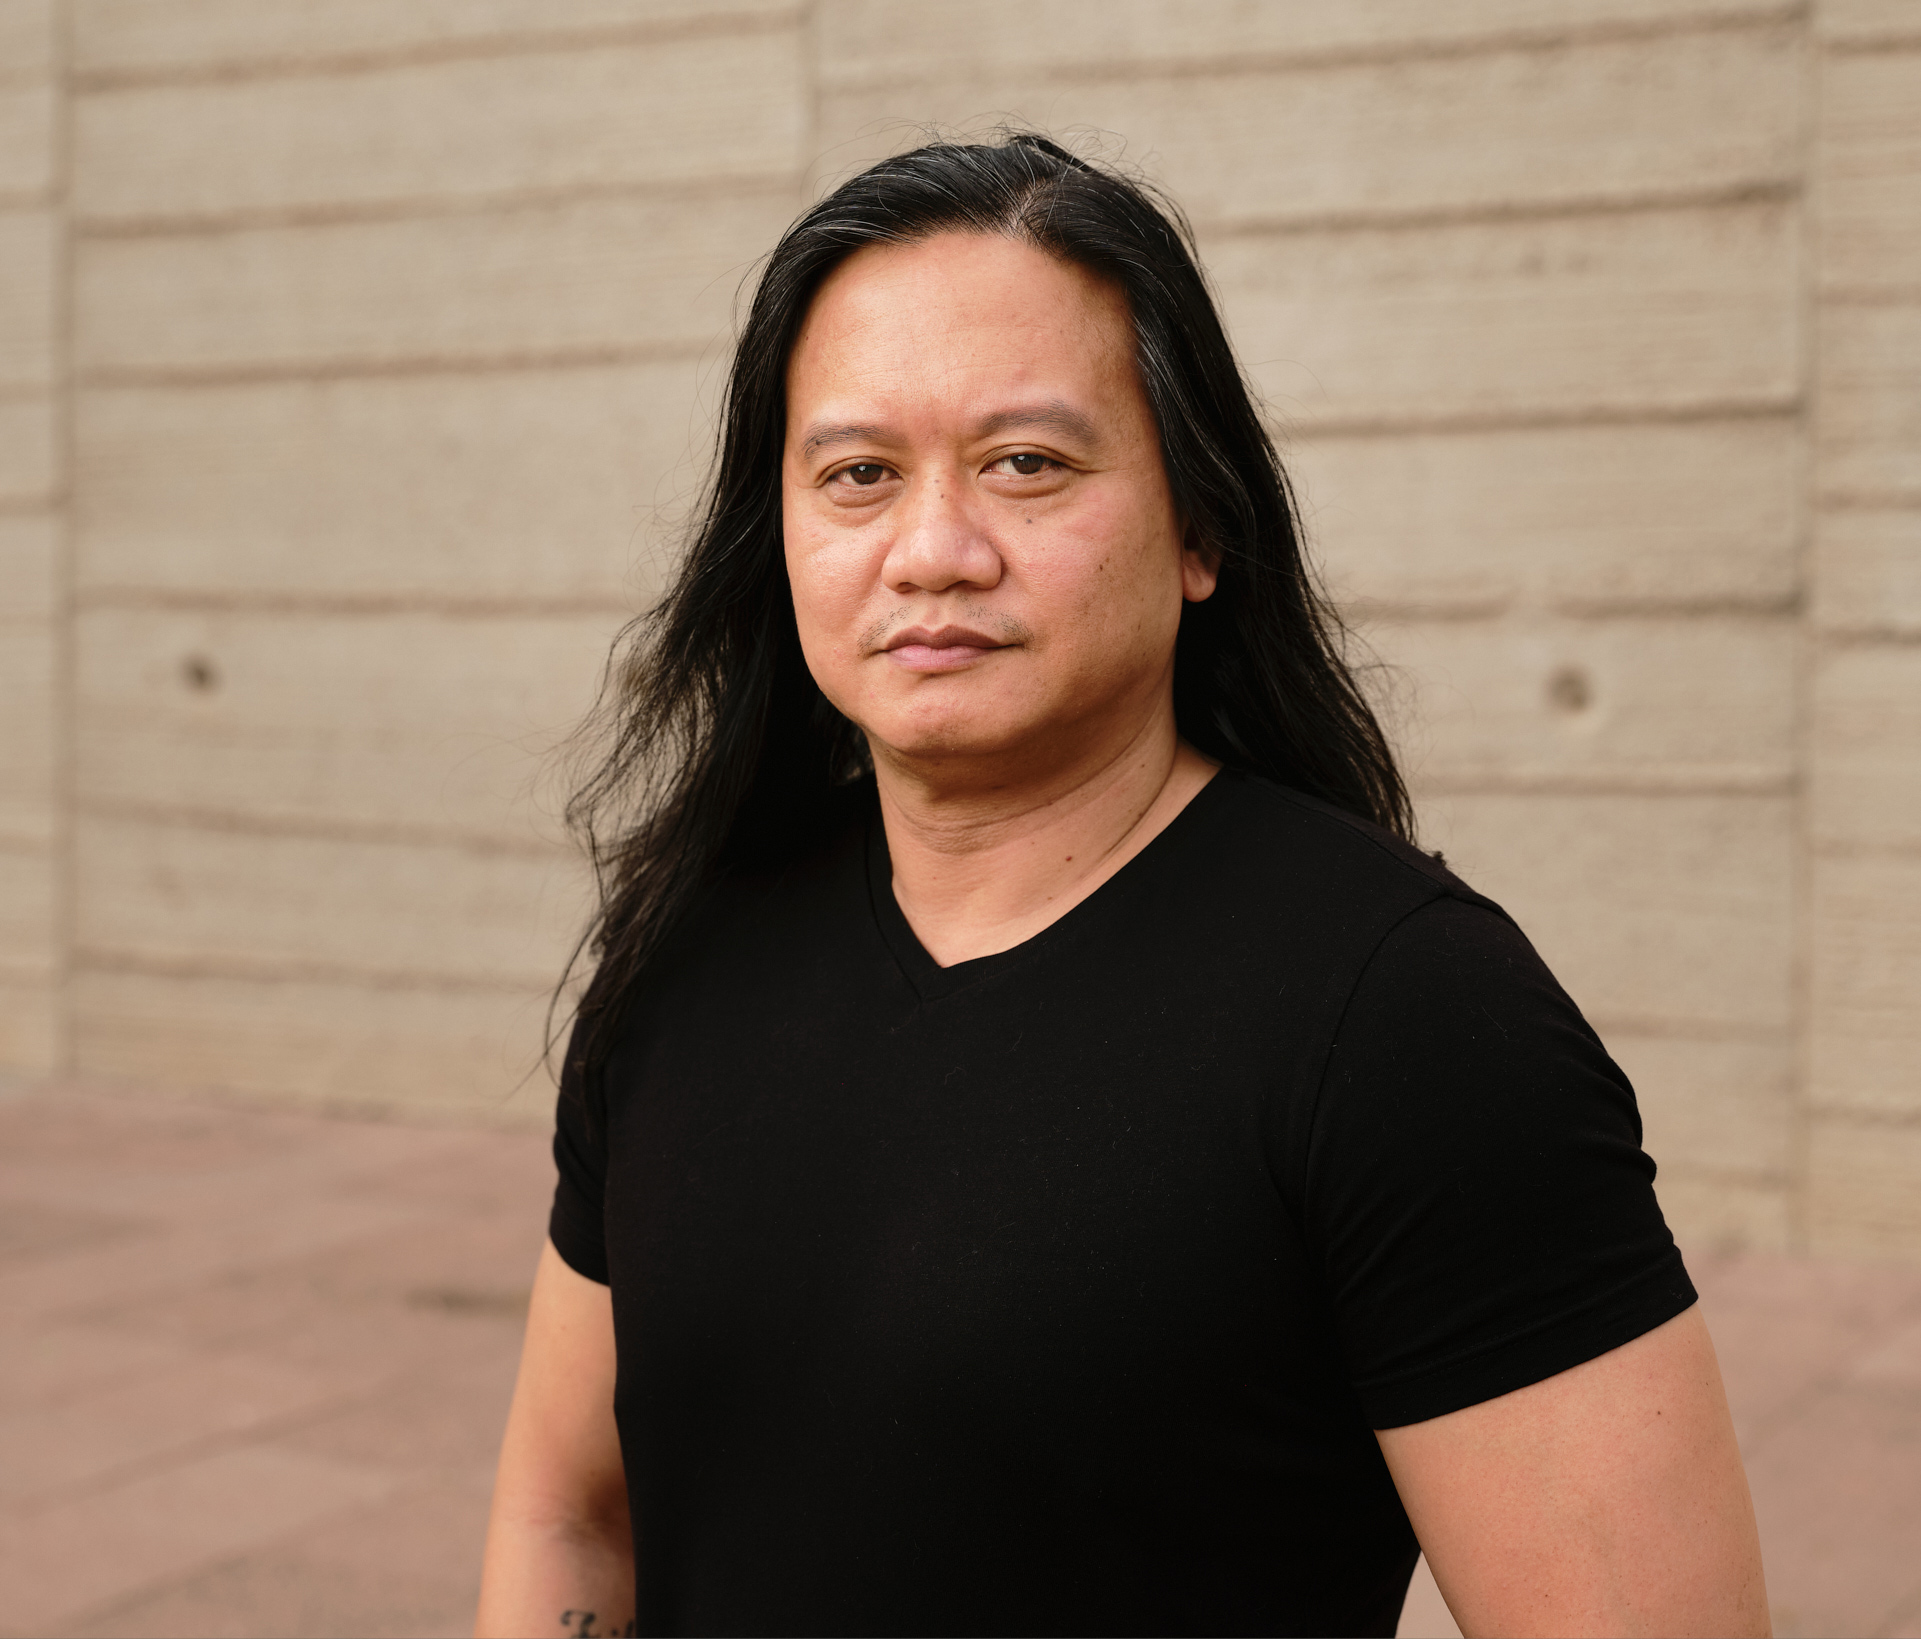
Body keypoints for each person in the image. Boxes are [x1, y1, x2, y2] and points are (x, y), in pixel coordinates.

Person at [475, 135, 1767, 1638]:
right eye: (858, 476)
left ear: (1200, 527)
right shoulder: (690, 944)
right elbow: (570, 1515)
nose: (933, 551)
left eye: (1026, 464)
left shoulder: (1408, 1020)